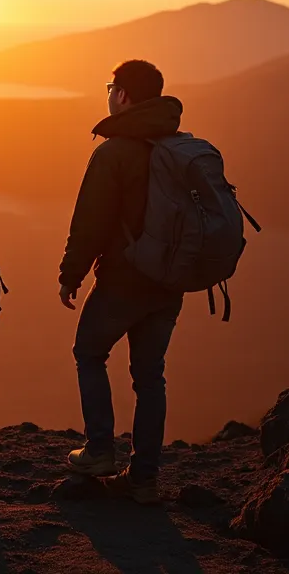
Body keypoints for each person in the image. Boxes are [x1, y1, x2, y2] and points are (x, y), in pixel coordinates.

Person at [58, 59, 186, 504]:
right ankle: (144, 479)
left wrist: (69, 275)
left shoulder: (113, 153)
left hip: (124, 281)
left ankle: (98, 452)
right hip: (169, 282)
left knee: (89, 353)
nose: (109, 94)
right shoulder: (177, 147)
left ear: (125, 96)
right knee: (150, 376)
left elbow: (89, 224)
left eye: (112, 87)